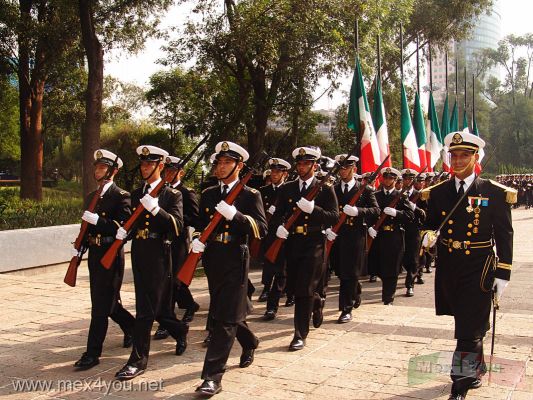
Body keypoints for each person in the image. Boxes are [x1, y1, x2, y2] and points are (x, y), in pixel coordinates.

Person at [421, 131, 516, 400]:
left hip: (480, 266)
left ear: (476, 158)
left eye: (465, 155)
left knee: (467, 330)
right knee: (469, 323)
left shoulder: (494, 193)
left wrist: (504, 273)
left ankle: (459, 384)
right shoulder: (438, 193)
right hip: (450, 266)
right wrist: (426, 236)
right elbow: (429, 223)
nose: (459, 160)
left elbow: (505, 234)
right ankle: (478, 366)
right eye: (455, 155)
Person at [192, 141, 267, 396]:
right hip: (214, 258)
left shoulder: (250, 195)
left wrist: (236, 215)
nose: (221, 167)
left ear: (239, 165)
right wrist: (197, 238)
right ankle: (250, 341)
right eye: (219, 162)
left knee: (223, 319)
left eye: (227, 162)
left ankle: (212, 377)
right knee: (227, 311)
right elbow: (201, 223)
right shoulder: (209, 193)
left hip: (236, 258)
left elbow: (261, 229)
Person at [114, 145, 189, 380]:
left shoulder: (172, 195)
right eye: (143, 164)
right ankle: (179, 330)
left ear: (161, 166)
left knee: (147, 310)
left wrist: (157, 210)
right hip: (139, 252)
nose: (144, 168)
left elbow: (177, 227)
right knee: (153, 308)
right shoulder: (135, 194)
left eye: (149, 164)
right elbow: (130, 223)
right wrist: (121, 231)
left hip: (160, 253)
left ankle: (138, 361)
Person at [270, 146, 339, 351]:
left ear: (315, 166)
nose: (301, 167)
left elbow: (334, 216)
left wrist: (314, 210)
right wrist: (279, 228)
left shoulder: (325, 188)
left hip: (314, 242)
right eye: (299, 164)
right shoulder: (287, 188)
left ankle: (300, 333)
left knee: (304, 288)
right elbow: (277, 215)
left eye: (306, 164)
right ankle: (316, 302)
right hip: (293, 242)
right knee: (294, 287)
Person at [72, 149, 135, 370]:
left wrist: (99, 220)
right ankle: (133, 328)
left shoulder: (121, 196)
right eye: (96, 167)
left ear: (113, 171)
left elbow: (124, 228)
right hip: (95, 254)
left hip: (111, 253)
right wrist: (80, 247)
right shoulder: (91, 196)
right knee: (106, 303)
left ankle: (92, 353)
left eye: (102, 167)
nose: (97, 170)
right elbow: (87, 229)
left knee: (100, 306)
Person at [327, 154, 379, 322]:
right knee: (341, 271)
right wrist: (328, 228)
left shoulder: (364, 190)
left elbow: (375, 210)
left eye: (346, 167)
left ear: (354, 169)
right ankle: (355, 287)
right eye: (341, 167)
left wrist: (358, 212)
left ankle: (346, 308)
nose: (343, 171)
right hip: (337, 235)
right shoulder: (332, 189)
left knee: (349, 272)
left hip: (355, 236)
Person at [153, 155, 200, 341]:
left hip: (178, 241)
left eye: (173, 171)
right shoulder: (160, 191)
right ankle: (189, 305)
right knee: (166, 282)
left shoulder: (187, 192)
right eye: (167, 171)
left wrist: (176, 220)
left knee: (174, 282)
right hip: (161, 243)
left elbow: (195, 218)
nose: (169, 174)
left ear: (181, 173)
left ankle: (167, 323)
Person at [367, 167, 414, 305]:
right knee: (377, 266)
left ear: (395, 180)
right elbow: (370, 214)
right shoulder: (376, 195)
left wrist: (396, 213)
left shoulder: (401, 196)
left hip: (394, 236)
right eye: (386, 178)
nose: (388, 181)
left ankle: (388, 298)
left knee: (392, 269)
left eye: (391, 178)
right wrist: (370, 227)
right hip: (378, 235)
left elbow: (410, 216)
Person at [259, 158, 290, 320]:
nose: (274, 174)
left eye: (278, 172)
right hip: (267, 235)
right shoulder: (262, 191)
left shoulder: (289, 190)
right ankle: (265, 289)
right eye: (272, 171)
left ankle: (272, 306)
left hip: (283, 236)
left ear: (285, 174)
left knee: (281, 272)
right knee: (268, 267)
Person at [401, 169, 426, 297]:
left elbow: (426, 214)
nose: (408, 181)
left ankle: (409, 285)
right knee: (402, 258)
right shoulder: (398, 194)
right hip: (400, 230)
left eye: (410, 179)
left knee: (413, 259)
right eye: (405, 179)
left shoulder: (420, 195)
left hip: (414, 230)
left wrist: (416, 208)